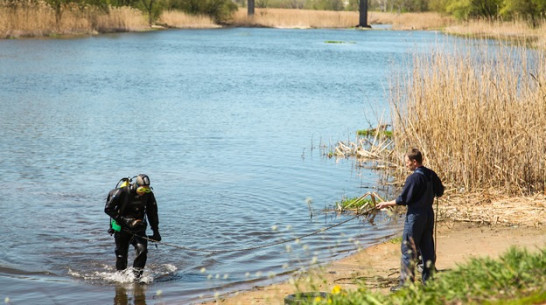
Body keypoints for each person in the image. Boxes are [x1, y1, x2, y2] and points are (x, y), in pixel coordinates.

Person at [376, 148, 444, 290]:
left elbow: (403, 199)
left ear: (414, 162)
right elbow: (440, 192)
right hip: (428, 215)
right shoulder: (431, 174)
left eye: (407, 162)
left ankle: (406, 285)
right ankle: (429, 281)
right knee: (427, 248)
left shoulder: (414, 178)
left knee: (408, 249)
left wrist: (386, 203)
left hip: (415, 217)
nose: (406, 165)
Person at [105, 174, 161, 279]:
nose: (143, 192)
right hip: (121, 228)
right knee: (121, 256)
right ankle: (120, 279)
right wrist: (126, 221)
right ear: (136, 186)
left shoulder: (148, 195)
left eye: (147, 189)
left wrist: (156, 231)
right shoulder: (121, 192)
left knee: (142, 251)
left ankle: (137, 278)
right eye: (141, 189)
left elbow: (152, 213)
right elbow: (108, 209)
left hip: (139, 228)